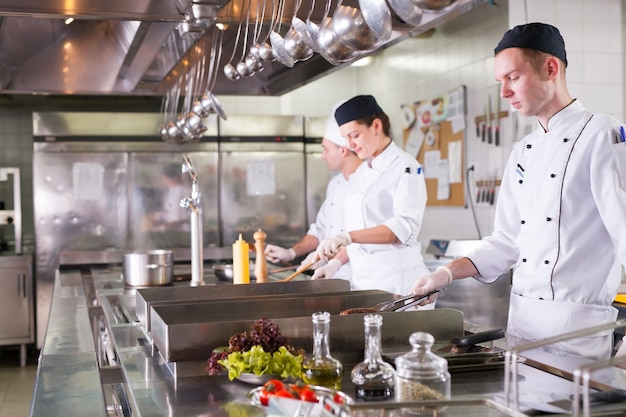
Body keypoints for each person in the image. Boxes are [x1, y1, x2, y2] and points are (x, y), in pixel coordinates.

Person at [410, 22, 626, 361]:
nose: (504, 93)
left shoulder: (602, 134)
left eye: (512, 78)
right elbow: (506, 242)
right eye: (500, 82)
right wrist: (447, 272)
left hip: (577, 334)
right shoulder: (523, 150)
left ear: (550, 68)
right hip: (522, 328)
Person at [312, 94, 432, 298]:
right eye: (346, 138)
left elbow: (400, 229)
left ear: (376, 126)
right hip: (364, 281)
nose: (350, 144)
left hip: (398, 283)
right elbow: (361, 236)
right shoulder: (362, 173)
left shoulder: (406, 167)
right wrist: (334, 263)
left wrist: (347, 237)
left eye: (354, 135)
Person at [264, 102, 362, 281]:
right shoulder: (336, 184)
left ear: (343, 150)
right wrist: (291, 253)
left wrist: (333, 261)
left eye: (325, 149)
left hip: (360, 275)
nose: (323, 156)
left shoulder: (367, 182)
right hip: (334, 277)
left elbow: (362, 237)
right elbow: (321, 230)